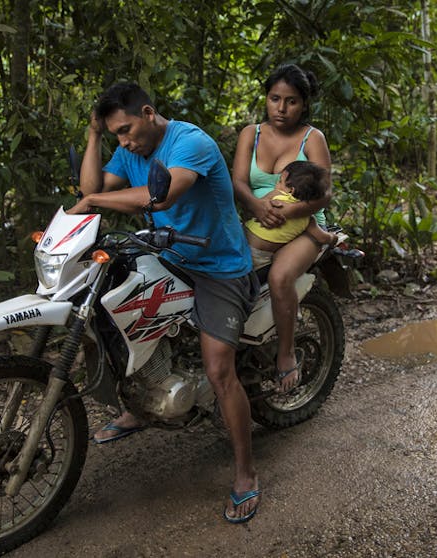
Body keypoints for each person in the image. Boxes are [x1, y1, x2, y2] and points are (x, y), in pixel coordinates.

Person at [69, 82, 262, 523]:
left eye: (126, 129)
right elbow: (92, 185)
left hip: (218, 265)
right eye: (116, 134)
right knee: (113, 310)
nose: (125, 140)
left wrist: (95, 200)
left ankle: (245, 473)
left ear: (149, 112)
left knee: (218, 369)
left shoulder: (189, 141)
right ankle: (139, 405)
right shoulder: (129, 150)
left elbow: (163, 195)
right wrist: (94, 137)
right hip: (168, 252)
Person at [231, 64, 332, 393]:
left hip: (303, 225)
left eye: (291, 101)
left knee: (279, 277)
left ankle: (286, 354)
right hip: (257, 217)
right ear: (266, 98)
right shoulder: (251, 134)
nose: (281, 108)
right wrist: (258, 205)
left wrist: (289, 212)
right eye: (275, 99)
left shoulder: (312, 138)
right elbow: (238, 182)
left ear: (303, 104)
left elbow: (324, 194)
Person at [244, 160, 337, 271]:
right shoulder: (309, 220)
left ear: (291, 190)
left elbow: (255, 209)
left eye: (279, 181)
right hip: (262, 258)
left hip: (242, 241)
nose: (276, 185)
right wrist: (333, 238)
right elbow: (322, 238)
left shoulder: (276, 195)